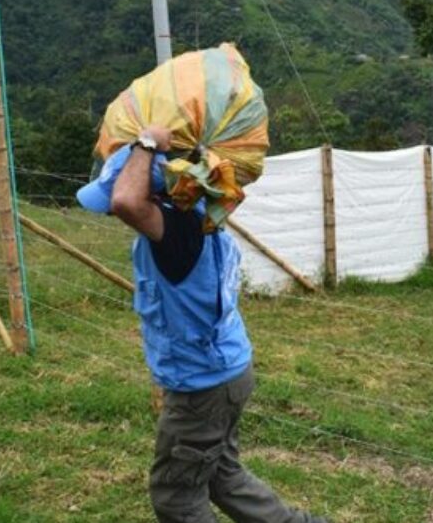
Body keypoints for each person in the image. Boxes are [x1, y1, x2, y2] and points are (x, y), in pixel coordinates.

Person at [77, 126, 326, 523]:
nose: (110, 210)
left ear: (156, 194)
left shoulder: (177, 232)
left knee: (176, 495)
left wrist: (146, 143)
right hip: (227, 373)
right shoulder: (199, 218)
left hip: (201, 387)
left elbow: (126, 201)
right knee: (222, 477)